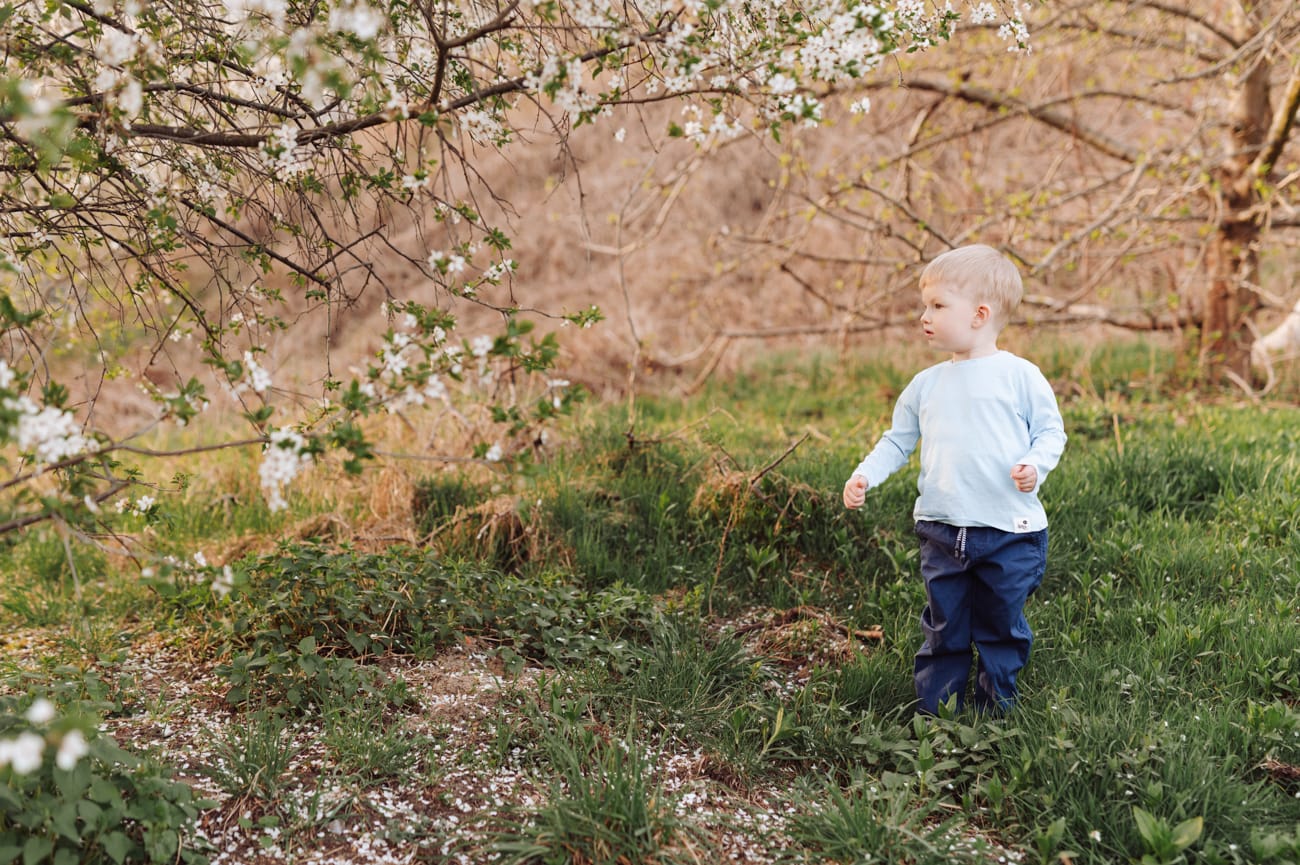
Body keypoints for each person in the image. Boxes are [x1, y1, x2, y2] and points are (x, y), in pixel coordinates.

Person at [842, 244, 1067, 715]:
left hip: (1009, 532)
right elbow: (897, 442)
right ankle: (937, 714)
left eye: (938, 305)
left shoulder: (1019, 376)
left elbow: (1050, 431)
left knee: (1000, 626)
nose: (924, 315)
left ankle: (996, 709)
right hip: (942, 530)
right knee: (944, 626)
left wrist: (1035, 464)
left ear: (979, 314)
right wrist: (865, 474)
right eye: (926, 305)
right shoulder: (925, 385)